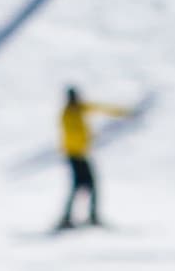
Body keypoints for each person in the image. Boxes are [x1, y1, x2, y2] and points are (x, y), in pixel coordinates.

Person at [55, 84, 134, 231]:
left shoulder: (77, 109)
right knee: (84, 185)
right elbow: (72, 134)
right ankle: (82, 217)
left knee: (82, 186)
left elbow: (101, 108)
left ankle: (78, 216)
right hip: (75, 155)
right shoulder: (68, 114)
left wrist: (124, 112)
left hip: (79, 154)